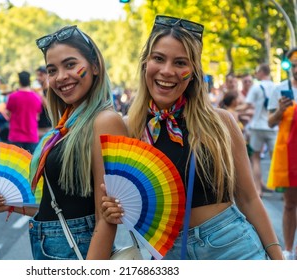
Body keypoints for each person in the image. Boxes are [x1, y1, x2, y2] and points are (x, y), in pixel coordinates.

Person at [101, 15, 283, 260]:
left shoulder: (221, 122)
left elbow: (249, 198)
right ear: (145, 63)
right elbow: (127, 204)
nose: (167, 71)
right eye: (158, 58)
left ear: (194, 72)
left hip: (232, 246)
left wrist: (278, 260)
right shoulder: (128, 130)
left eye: (180, 62)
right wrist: (113, 209)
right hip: (168, 254)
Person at [0, 25, 128, 260]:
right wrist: (8, 203)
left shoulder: (105, 121)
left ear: (95, 66)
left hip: (78, 252)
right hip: (50, 247)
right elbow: (60, 204)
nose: (60, 77)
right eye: (52, 70)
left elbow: (106, 218)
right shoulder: (66, 125)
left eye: (70, 65)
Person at [268, 47, 297, 260]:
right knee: (289, 203)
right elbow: (270, 122)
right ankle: (288, 249)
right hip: (288, 154)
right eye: (293, 65)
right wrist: (280, 110)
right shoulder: (280, 89)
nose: (296, 69)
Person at [241, 63, 277, 197]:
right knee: (275, 158)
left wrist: (234, 110)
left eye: (257, 71)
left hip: (257, 127)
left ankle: (258, 189)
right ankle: (277, 186)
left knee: (255, 158)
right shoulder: (276, 87)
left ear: (262, 72)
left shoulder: (256, 87)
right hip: (273, 127)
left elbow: (247, 105)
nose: (256, 74)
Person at [5, 71, 43, 154]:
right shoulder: (36, 97)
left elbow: (8, 113)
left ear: (19, 82)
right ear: (29, 81)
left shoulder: (13, 96)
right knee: (30, 164)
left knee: (14, 164)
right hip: (31, 136)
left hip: (15, 136)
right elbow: (37, 117)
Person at [33, 66, 52, 138]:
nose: (38, 78)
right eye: (37, 75)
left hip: (48, 128)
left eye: (40, 75)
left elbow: (49, 107)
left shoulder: (50, 91)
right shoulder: (38, 91)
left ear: (47, 75)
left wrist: (40, 95)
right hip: (37, 128)